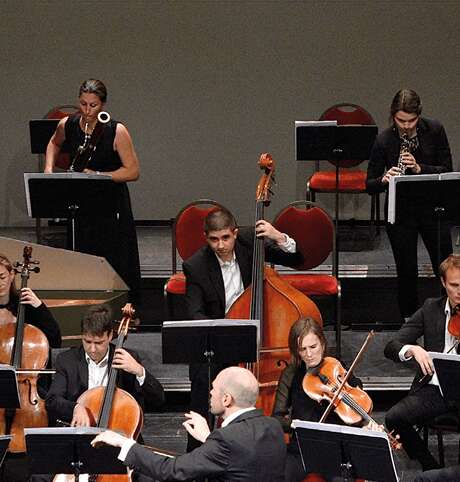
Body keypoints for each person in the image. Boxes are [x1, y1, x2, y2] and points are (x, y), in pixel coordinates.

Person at [182, 207, 303, 449]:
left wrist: (279, 236)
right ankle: (196, 450)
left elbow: (297, 259)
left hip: (259, 335)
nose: (220, 245)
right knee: (200, 375)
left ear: (235, 233)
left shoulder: (251, 242)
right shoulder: (195, 266)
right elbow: (195, 314)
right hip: (221, 339)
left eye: (226, 238)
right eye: (214, 239)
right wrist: (228, 329)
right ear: (206, 238)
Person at [91, 366, 287, 482]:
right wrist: (208, 438)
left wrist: (124, 443)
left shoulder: (226, 439)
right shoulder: (273, 427)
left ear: (227, 399)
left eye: (214, 389)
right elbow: (239, 461)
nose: (210, 393)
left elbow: (173, 471)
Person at [44, 78, 141, 303]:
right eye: (83, 104)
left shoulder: (116, 131)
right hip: (82, 201)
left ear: (103, 105)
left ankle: (123, 308)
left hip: (111, 202)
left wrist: (98, 176)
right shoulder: (68, 124)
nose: (87, 111)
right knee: (84, 252)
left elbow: (133, 171)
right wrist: (48, 170)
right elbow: (54, 143)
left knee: (115, 255)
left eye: (93, 105)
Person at [366, 89, 453, 322]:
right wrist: (384, 179)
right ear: (393, 116)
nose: (406, 126)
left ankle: (450, 318)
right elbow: (369, 184)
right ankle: (410, 323)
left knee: (445, 267)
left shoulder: (434, 130)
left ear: (419, 116)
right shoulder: (384, 140)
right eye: (400, 120)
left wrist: (418, 168)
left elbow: (447, 169)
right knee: (406, 271)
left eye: (411, 120)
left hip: (434, 210)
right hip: (401, 212)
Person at [384, 254, 460, 471]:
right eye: (454, 285)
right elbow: (392, 345)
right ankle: (431, 469)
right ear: (443, 283)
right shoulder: (430, 309)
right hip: (435, 390)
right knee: (394, 417)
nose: (459, 291)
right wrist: (413, 349)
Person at [272, 317, 367, 482]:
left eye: (313, 347)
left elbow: (357, 399)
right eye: (302, 349)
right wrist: (295, 424)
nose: (308, 354)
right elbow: (277, 418)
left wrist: (366, 421)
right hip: (302, 449)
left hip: (334, 450)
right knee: (280, 477)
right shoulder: (291, 374)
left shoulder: (336, 367)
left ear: (322, 344)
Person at [0, 253, 61, 482]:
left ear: (13, 275)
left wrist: (38, 305)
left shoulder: (26, 307)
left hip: (27, 390)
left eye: (2, 277)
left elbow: (55, 338)